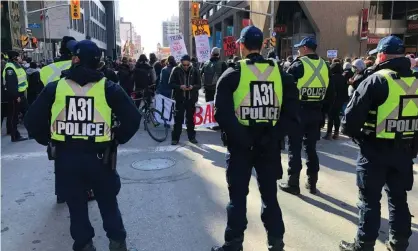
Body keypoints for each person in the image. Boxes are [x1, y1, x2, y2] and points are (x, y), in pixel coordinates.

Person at [24, 40, 141, 251]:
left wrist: (49, 140)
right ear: (98, 63)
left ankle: (85, 244)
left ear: (75, 60)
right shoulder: (109, 88)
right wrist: (116, 138)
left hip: (67, 158)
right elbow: (133, 118)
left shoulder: (55, 88)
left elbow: (31, 120)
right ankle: (117, 243)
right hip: (100, 158)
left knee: (76, 208)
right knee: (108, 204)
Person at [211, 25, 299, 251]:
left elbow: (222, 114)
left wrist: (245, 139)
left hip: (241, 147)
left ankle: (233, 244)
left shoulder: (231, 74)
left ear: (241, 45)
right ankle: (276, 242)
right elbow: (291, 113)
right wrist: (272, 136)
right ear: (261, 46)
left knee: (237, 198)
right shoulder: (281, 74)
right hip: (268, 146)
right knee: (270, 196)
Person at [339, 35, 417, 251]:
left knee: (369, 201)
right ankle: (399, 241)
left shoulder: (375, 80)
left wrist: (361, 139)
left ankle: (364, 244)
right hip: (404, 151)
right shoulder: (416, 82)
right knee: (398, 198)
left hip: (374, 151)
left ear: (381, 55)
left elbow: (349, 121)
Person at [279, 37, 333, 195]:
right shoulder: (325, 65)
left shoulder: (298, 65)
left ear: (305, 48)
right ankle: (312, 183)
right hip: (316, 112)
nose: (297, 50)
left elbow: (286, 89)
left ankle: (293, 183)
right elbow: (331, 93)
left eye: (299, 48)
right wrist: (324, 111)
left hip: (298, 112)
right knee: (311, 149)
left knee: (294, 149)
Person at [169, 54, 201, 145]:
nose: (186, 67)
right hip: (180, 99)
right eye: (184, 65)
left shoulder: (195, 70)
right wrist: (180, 87)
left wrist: (192, 87)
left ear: (190, 63)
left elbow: (199, 85)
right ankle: (175, 138)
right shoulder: (175, 70)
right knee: (178, 119)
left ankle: (192, 137)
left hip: (191, 99)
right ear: (181, 63)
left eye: (188, 65)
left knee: (190, 120)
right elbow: (170, 84)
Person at [2, 50, 29, 142]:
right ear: (14, 58)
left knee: (27, 113)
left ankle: (31, 132)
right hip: (15, 96)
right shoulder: (10, 68)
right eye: (19, 56)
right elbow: (11, 84)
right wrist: (16, 96)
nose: (21, 58)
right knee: (14, 116)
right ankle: (15, 136)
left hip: (21, 94)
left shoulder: (17, 66)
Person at [323, 62, 346, 140]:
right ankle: (336, 133)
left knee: (330, 117)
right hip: (340, 100)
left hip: (332, 99)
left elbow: (328, 90)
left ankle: (329, 133)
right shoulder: (343, 78)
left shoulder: (331, 78)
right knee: (336, 117)